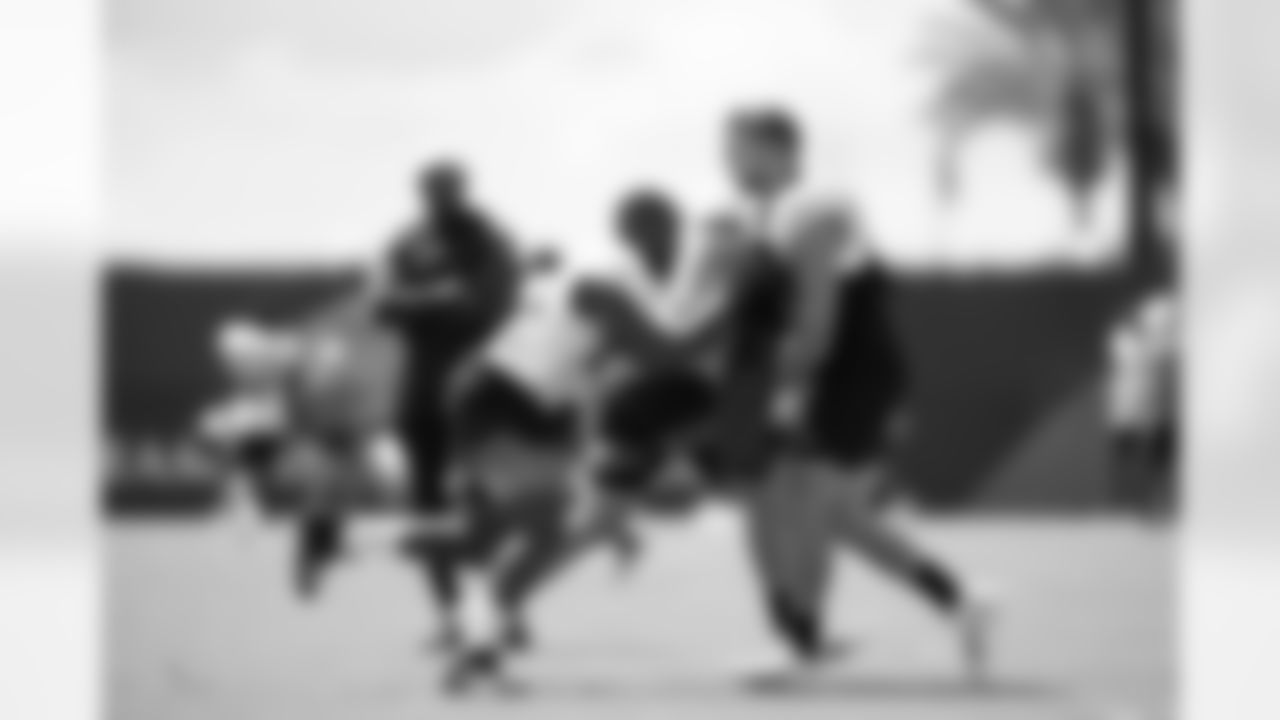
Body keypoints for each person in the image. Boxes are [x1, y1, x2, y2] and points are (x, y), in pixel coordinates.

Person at [714, 106, 993, 680]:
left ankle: (803, 645)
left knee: (804, 505)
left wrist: (783, 392)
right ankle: (960, 601)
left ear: (782, 151)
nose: (730, 162)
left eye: (740, 150)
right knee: (838, 515)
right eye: (728, 150)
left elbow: (818, 326)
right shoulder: (766, 219)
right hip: (824, 376)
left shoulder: (814, 210)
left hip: (840, 378)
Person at [439, 188, 727, 691]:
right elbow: (667, 354)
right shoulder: (602, 282)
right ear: (627, 235)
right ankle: (451, 594)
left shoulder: (630, 287)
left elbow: (606, 364)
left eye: (670, 227)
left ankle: (476, 646)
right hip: (500, 401)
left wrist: (583, 436)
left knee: (542, 532)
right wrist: (737, 309)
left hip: (528, 406)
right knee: (531, 526)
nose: (668, 240)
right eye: (653, 229)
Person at [370, 161, 522, 643]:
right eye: (431, 191)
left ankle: (500, 606)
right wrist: (439, 296)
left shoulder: (490, 239)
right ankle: (450, 612)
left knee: (489, 501)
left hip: (482, 388)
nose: (439, 198)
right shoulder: (406, 241)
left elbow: (489, 304)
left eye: (448, 189)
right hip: (423, 387)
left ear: (463, 190)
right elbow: (381, 305)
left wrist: (419, 301)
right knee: (427, 502)